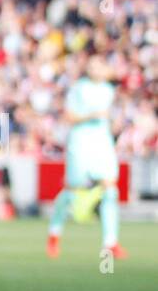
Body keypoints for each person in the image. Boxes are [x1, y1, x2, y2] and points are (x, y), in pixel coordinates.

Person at [47, 54, 128, 260]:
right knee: (72, 191)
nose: (95, 70)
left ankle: (110, 242)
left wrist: (115, 124)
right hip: (81, 142)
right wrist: (92, 116)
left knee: (110, 189)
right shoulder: (79, 88)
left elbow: (113, 116)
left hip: (102, 141)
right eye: (91, 66)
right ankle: (54, 233)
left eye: (98, 65)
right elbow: (69, 116)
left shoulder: (109, 90)